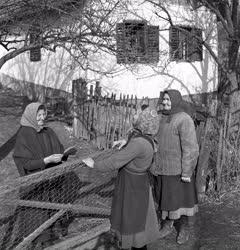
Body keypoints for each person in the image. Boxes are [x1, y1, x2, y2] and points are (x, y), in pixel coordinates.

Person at [82, 107, 160, 250]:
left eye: (138, 114)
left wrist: (95, 164)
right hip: (138, 184)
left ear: (144, 121)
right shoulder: (147, 139)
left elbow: (116, 160)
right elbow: (134, 139)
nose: (134, 115)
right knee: (137, 220)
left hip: (132, 187)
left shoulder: (139, 144)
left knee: (132, 220)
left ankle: (135, 246)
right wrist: (125, 141)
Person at [10, 102, 78, 249]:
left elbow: (59, 150)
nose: (42, 118)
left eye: (43, 114)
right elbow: (25, 163)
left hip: (51, 180)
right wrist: (46, 160)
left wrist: (63, 155)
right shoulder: (24, 134)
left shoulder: (48, 131)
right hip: (35, 184)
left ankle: (52, 233)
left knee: (53, 206)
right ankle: (38, 240)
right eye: (38, 115)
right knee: (37, 213)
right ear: (30, 116)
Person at [154, 89, 199, 245]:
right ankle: (167, 225)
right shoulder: (159, 117)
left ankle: (184, 228)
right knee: (164, 199)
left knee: (181, 202)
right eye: (164, 99)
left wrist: (187, 171)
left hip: (178, 171)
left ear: (176, 100)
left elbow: (191, 147)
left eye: (169, 99)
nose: (165, 102)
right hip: (160, 167)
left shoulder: (184, 119)